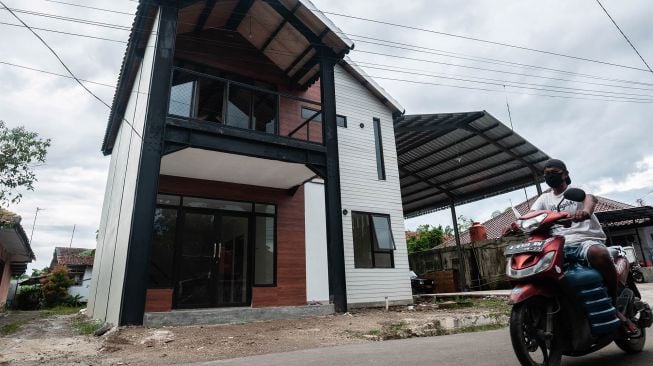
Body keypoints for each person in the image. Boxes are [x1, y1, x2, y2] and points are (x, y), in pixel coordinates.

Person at [531, 158, 637, 334]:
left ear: (565, 174)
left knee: (599, 254)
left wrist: (585, 211)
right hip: (559, 244)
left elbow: (590, 199)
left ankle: (613, 303)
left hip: (585, 240)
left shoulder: (576, 190)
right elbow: (533, 214)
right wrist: (514, 225)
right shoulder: (544, 198)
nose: (550, 176)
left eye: (554, 172)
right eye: (546, 173)